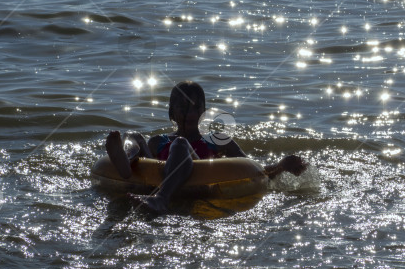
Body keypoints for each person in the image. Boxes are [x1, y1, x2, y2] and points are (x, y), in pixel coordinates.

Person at [105, 81, 306, 214]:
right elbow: (150, 167)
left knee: (180, 144)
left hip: (200, 180)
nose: (189, 113)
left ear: (204, 112)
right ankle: (125, 163)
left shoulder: (218, 141)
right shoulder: (158, 142)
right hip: (162, 174)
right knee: (133, 136)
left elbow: (253, 172)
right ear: (171, 113)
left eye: (195, 108)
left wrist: (281, 165)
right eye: (182, 108)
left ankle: (161, 199)